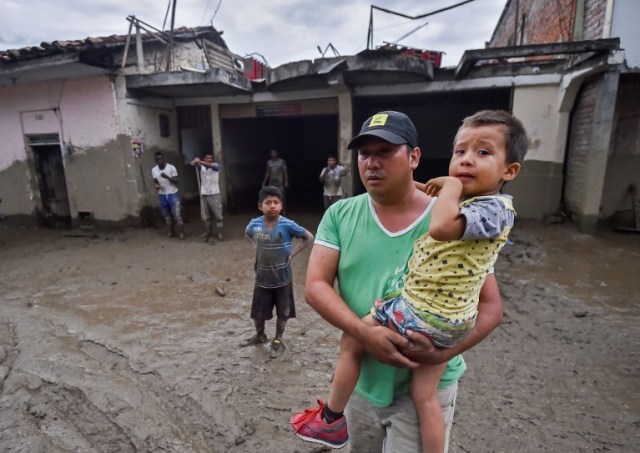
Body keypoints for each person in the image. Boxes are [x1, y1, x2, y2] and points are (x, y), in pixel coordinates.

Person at [289, 110, 506, 451]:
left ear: (414, 157)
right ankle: (330, 420)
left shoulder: (452, 217)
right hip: (362, 384)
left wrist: (441, 354)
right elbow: (315, 286)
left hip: (423, 385)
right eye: (364, 154)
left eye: (385, 151)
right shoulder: (340, 214)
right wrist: (364, 334)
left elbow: (491, 307)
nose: (372, 163)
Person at [242, 186, 314, 358]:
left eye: (276, 202)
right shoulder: (255, 225)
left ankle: (278, 339)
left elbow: (308, 237)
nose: (272, 206)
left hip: (282, 279)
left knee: (284, 311)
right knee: (258, 312)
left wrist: (292, 254)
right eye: (268, 203)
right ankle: (260, 335)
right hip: (262, 278)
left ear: (281, 205)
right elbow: (247, 235)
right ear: (260, 206)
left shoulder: (288, 225)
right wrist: (256, 249)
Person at [191, 153, 224, 242]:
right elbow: (193, 164)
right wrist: (195, 161)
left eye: (211, 158)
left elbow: (209, 165)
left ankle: (220, 232)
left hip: (214, 194)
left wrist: (199, 161)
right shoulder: (201, 167)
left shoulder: (216, 166)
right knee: (206, 216)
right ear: (204, 159)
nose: (209, 159)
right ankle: (208, 232)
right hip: (204, 194)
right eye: (207, 158)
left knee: (218, 216)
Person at [152, 151, 184, 239]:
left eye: (160, 159)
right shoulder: (154, 170)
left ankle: (181, 232)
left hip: (173, 194)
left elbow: (176, 181)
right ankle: (171, 232)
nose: (159, 161)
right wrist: (157, 186)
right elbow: (155, 181)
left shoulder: (171, 168)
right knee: (166, 216)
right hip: (162, 195)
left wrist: (167, 177)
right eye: (157, 159)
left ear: (164, 159)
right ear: (155, 160)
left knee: (177, 215)